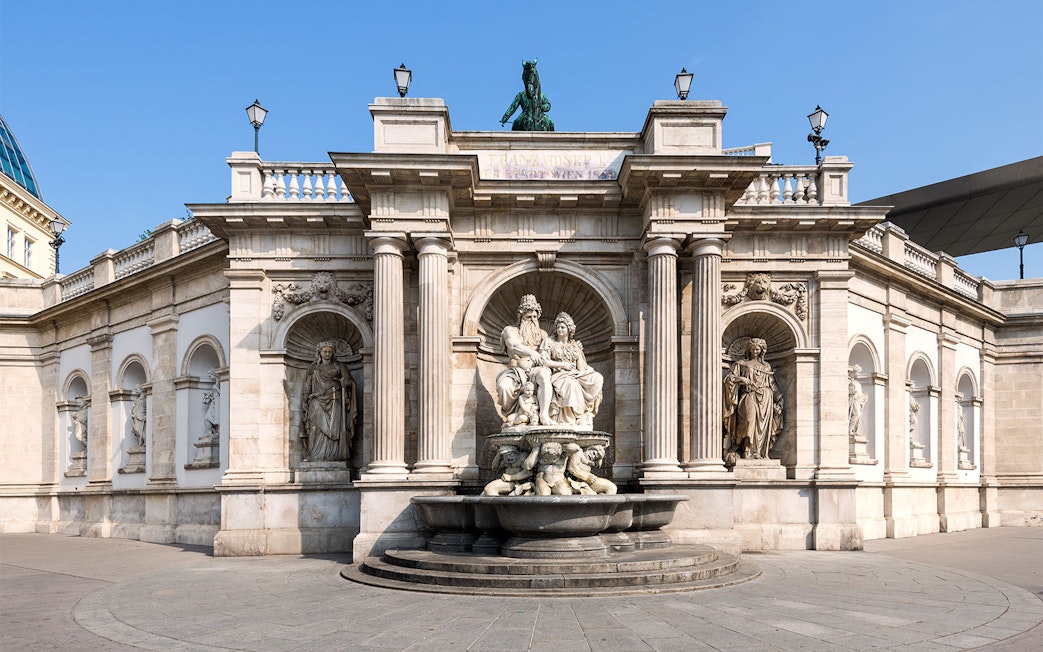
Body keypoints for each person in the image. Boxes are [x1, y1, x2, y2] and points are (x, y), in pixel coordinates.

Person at [496, 294, 553, 425]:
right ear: (520, 317)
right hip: (516, 371)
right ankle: (510, 414)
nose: (532, 320)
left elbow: (552, 351)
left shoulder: (543, 334)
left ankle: (544, 415)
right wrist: (531, 352)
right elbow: (513, 346)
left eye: (534, 317)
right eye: (528, 317)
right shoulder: (510, 330)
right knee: (504, 387)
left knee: (545, 375)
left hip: (535, 371)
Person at [723, 338, 784, 460]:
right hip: (749, 395)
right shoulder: (741, 364)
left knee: (762, 427)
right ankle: (745, 449)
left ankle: (758, 452)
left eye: (757, 349)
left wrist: (779, 397)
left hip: (766, 397)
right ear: (749, 350)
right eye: (752, 349)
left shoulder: (766, 366)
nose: (755, 351)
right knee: (749, 420)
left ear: (762, 350)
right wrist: (742, 379)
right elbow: (729, 379)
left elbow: (772, 383)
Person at [538, 312, 604, 426]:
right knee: (570, 384)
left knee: (597, 378)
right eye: (558, 327)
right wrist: (563, 365)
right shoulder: (549, 342)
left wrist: (580, 353)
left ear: (569, 329)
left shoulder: (574, 345)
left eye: (563, 327)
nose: (560, 330)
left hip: (575, 374)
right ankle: (575, 417)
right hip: (558, 374)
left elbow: (581, 367)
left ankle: (587, 412)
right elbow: (543, 361)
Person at [301, 341, 357, 462]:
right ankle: (314, 455)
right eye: (325, 351)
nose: (327, 354)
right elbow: (307, 386)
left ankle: (334, 455)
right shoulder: (313, 367)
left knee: (333, 428)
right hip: (316, 400)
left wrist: (345, 383)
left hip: (334, 399)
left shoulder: (340, 367)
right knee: (314, 428)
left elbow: (350, 382)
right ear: (319, 352)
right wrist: (305, 400)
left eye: (330, 352)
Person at [848, 365, 867, 439]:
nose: (859, 374)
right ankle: (849, 430)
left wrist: (863, 397)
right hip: (854, 401)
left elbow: (859, 393)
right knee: (856, 415)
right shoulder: (850, 381)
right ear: (854, 372)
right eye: (858, 372)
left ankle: (853, 430)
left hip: (859, 402)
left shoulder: (857, 383)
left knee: (858, 417)